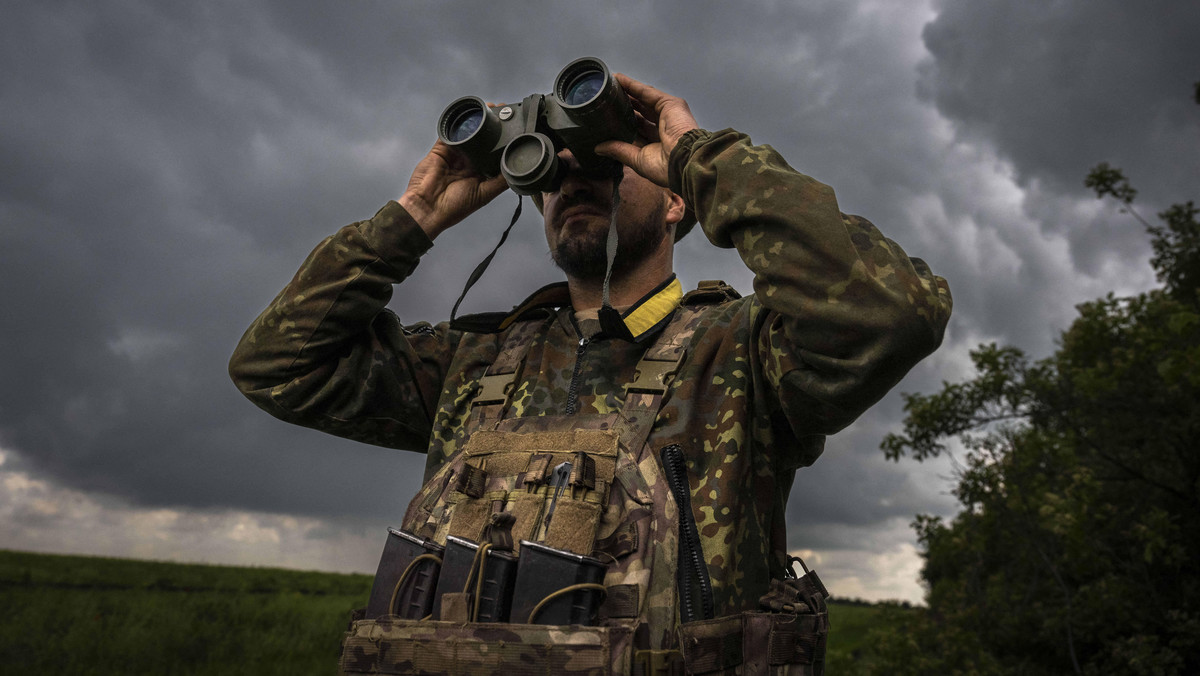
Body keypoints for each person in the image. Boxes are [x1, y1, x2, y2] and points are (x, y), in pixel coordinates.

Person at [229, 72, 951, 673]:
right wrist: (414, 216)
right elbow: (276, 365)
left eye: (605, 165)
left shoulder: (742, 355)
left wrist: (704, 158)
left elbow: (892, 312)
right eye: (553, 174)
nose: (571, 180)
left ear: (675, 201)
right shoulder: (473, 364)